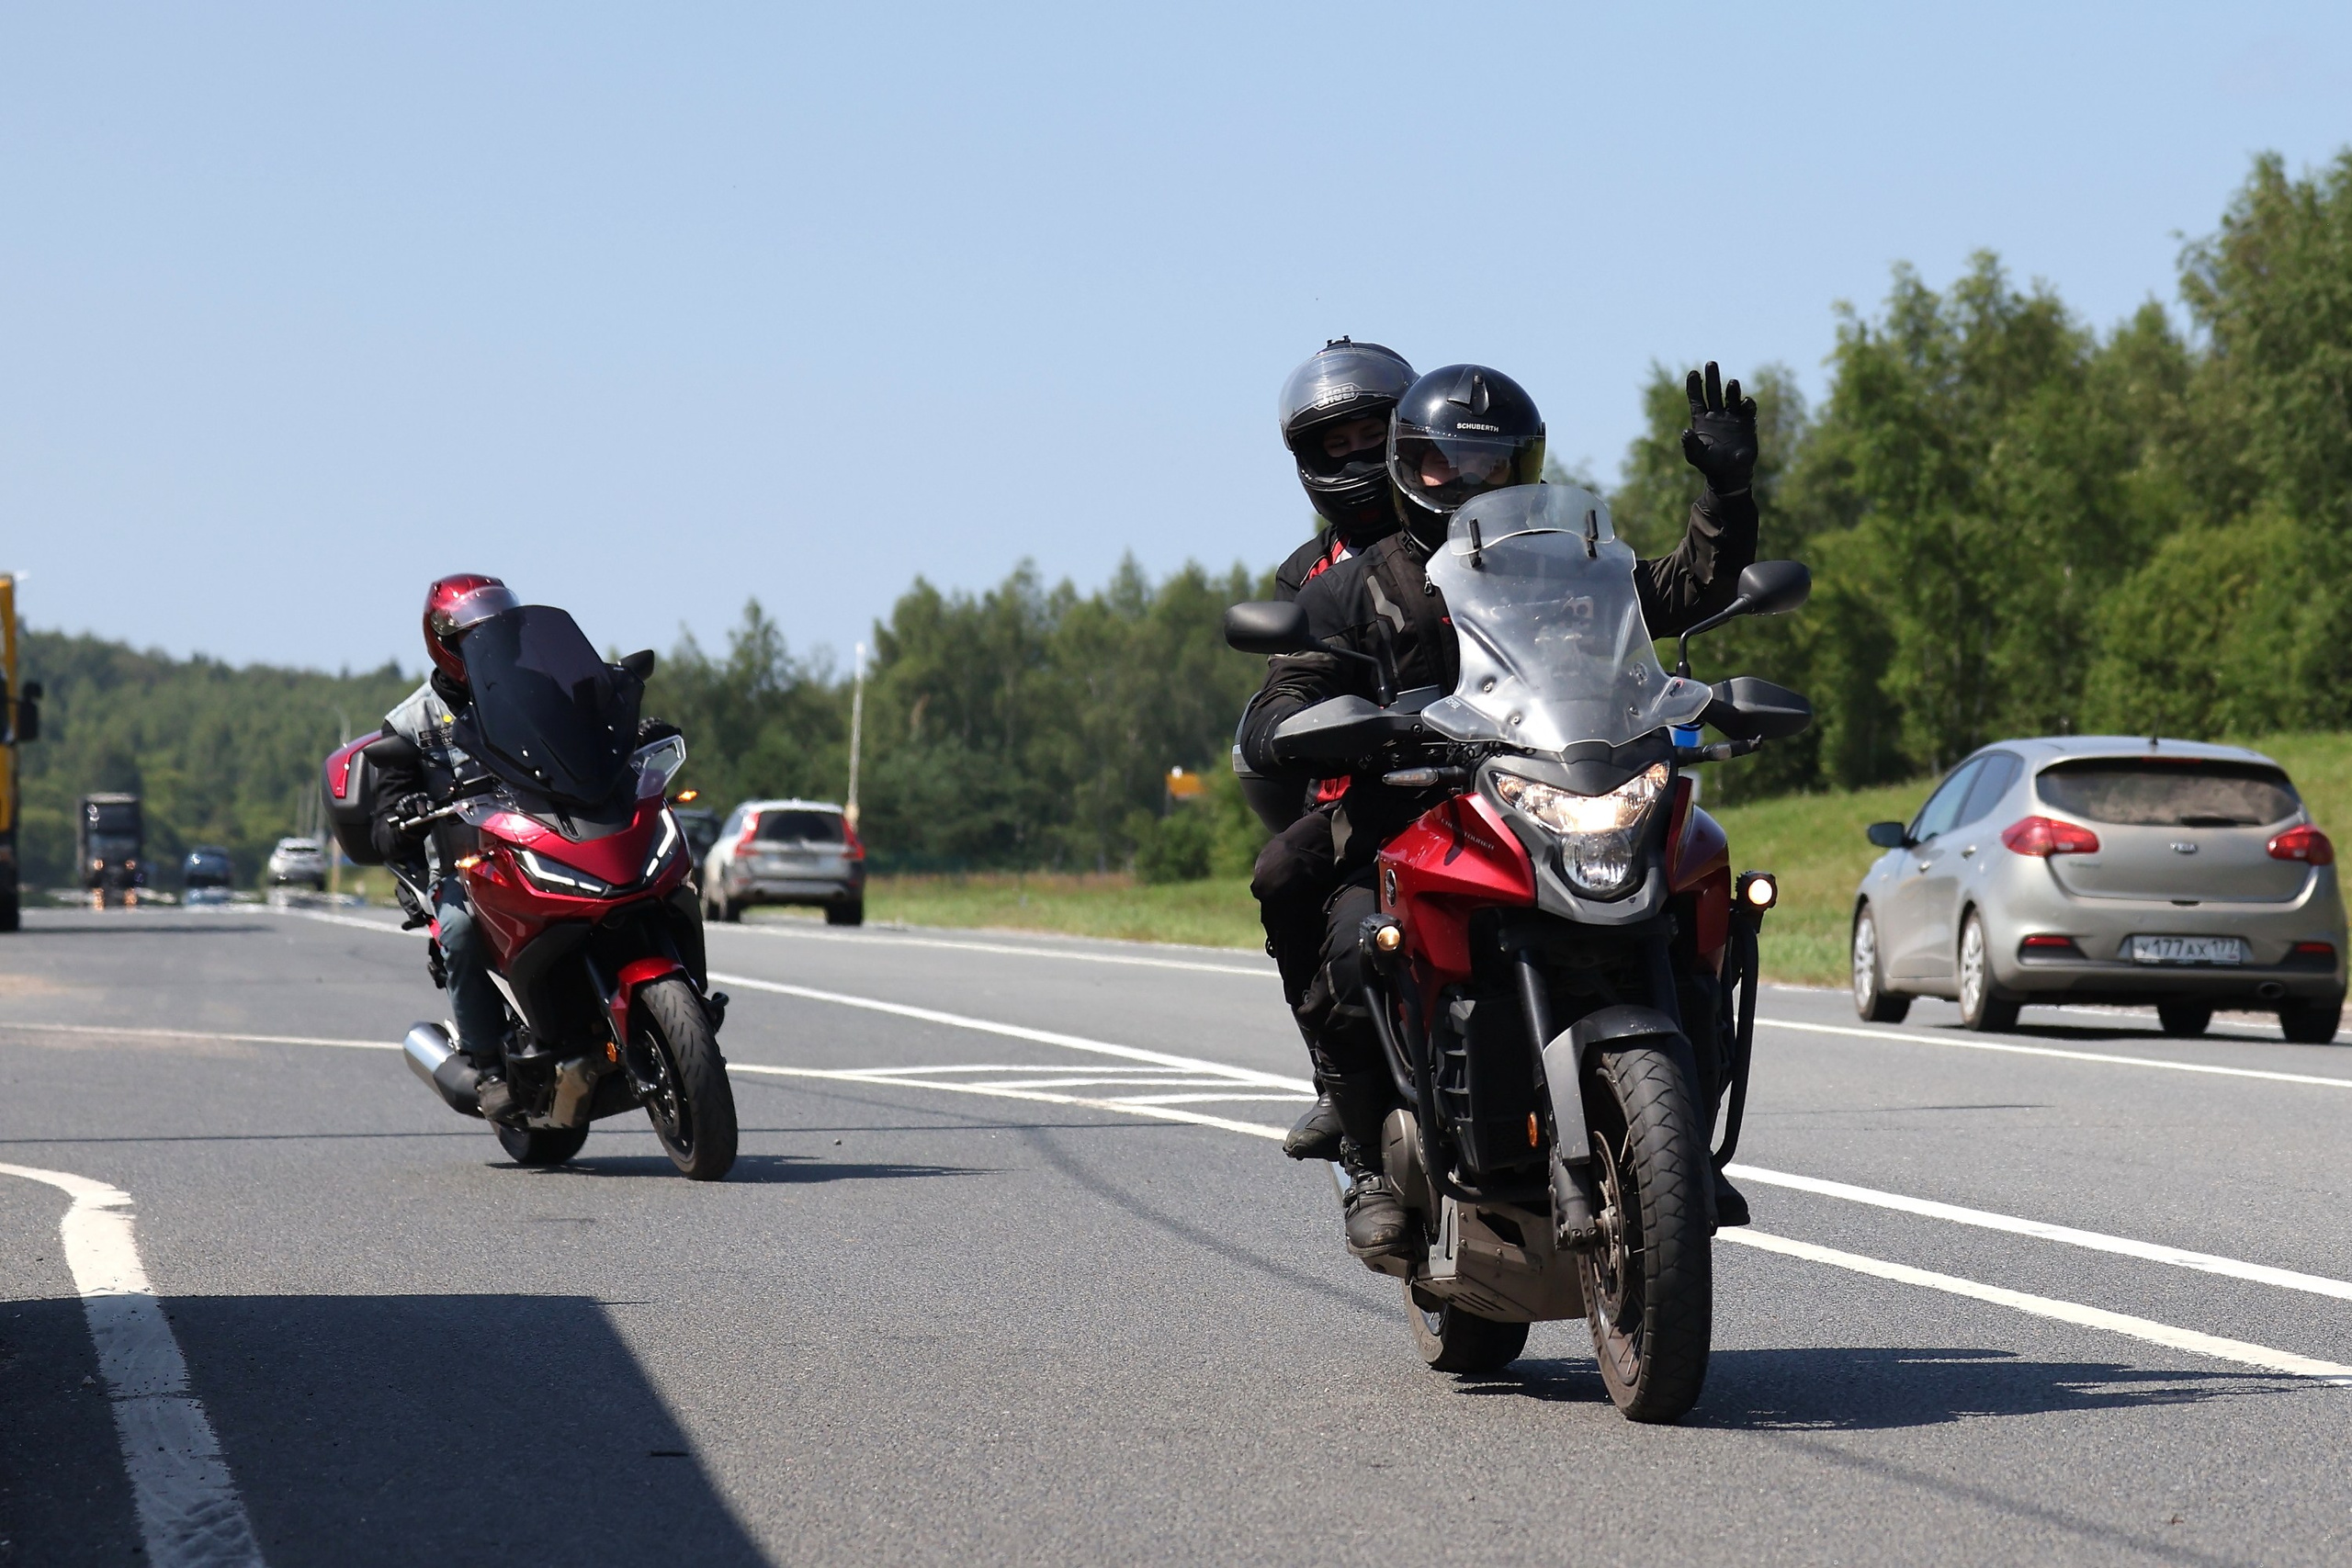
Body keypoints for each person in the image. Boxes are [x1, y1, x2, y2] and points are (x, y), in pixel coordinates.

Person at [1238, 361, 1763, 1259]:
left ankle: (1681, 1140)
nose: (1464, 480)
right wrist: (1318, 727)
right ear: (1410, 466)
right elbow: (1292, 689)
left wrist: (1725, 491)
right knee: (1338, 921)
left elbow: (1683, 590)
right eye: (1443, 464)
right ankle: (1365, 1149)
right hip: (1415, 805)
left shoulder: (1572, 564)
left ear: (1522, 468)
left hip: (1555, 784)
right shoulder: (1354, 585)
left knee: (1694, 892)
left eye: (1488, 463)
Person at [1252, 340, 1419, 1162]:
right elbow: (1293, 676)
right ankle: (1342, 1083)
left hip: (1500, 768)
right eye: (1335, 443)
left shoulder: (1476, 529)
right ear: (1309, 460)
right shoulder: (1310, 574)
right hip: (1372, 785)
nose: (1355, 455)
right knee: (1283, 873)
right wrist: (1292, 722)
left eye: (1370, 435)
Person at [370, 575, 523, 1089]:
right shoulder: (409, 724)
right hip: (470, 868)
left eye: (496, 632)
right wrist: (405, 809)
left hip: (544, 843)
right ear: (445, 641)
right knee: (458, 932)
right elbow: (386, 828)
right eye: (474, 635)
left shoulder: (532, 691)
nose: (488, 645)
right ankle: (486, 1064)